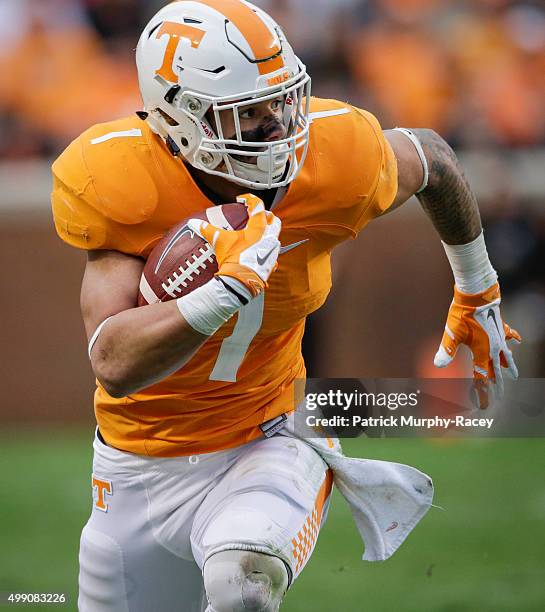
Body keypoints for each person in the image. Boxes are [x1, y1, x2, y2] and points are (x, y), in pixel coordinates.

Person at [50, 1, 520, 610]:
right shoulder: (117, 176)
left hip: (267, 438)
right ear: (180, 118)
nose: (278, 126)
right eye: (248, 113)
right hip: (136, 469)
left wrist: (477, 284)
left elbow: (432, 156)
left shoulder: (337, 152)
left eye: (282, 100)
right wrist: (226, 289)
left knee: (241, 578)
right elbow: (114, 361)